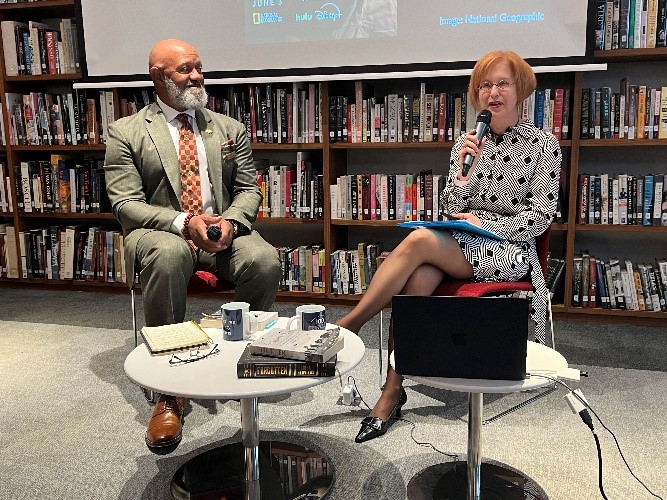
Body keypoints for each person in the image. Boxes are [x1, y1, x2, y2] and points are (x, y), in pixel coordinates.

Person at [337, 50, 562, 443]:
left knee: (420, 240)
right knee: (419, 277)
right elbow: (449, 209)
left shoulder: (544, 145)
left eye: (502, 83)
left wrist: (485, 223)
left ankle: (351, 324)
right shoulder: (467, 141)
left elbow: (540, 217)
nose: (493, 92)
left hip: (510, 250)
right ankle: (392, 390)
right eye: (485, 85)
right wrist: (463, 176)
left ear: (520, 90)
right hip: (460, 246)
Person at [104, 39, 282, 449]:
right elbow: (126, 204)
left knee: (265, 260)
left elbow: (248, 190)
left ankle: (244, 356)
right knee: (168, 256)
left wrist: (232, 224)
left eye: (199, 67)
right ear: (158, 77)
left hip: (221, 230)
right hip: (162, 232)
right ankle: (170, 389)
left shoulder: (227, 128)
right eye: (185, 70)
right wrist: (185, 222)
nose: (197, 76)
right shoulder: (126, 132)